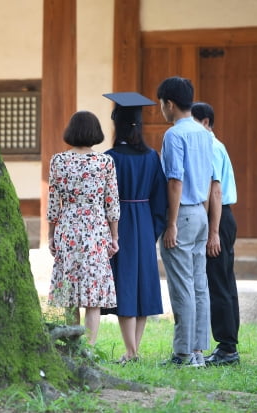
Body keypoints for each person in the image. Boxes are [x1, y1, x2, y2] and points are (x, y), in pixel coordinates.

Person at [102, 92, 168, 364]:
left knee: (125, 286)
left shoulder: (110, 157)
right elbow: (161, 198)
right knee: (141, 286)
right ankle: (133, 350)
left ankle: (131, 352)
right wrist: (153, 229)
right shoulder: (152, 157)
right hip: (144, 221)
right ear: (139, 126)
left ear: (117, 126)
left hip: (120, 223)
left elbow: (104, 198)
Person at [47, 110, 120, 346]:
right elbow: (112, 203)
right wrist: (114, 237)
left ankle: (71, 347)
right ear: (95, 133)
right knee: (93, 294)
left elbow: (53, 203)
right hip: (96, 230)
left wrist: (51, 235)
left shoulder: (58, 161)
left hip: (67, 227)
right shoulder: (105, 162)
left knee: (68, 291)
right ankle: (89, 348)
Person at [156, 76, 213, 367]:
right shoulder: (205, 133)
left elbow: (175, 180)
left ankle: (182, 353)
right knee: (199, 284)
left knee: (182, 286)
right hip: (201, 212)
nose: (161, 111)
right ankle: (199, 352)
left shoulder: (174, 135)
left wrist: (172, 223)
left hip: (183, 213)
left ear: (169, 103)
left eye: (161, 105)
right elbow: (209, 177)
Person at [191, 102, 240, 366]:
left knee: (219, 283)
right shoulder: (214, 145)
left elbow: (216, 191)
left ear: (206, 122)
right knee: (225, 282)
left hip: (218, 218)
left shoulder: (210, 147)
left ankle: (227, 348)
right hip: (223, 217)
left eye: (194, 121)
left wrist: (213, 233)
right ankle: (228, 344)